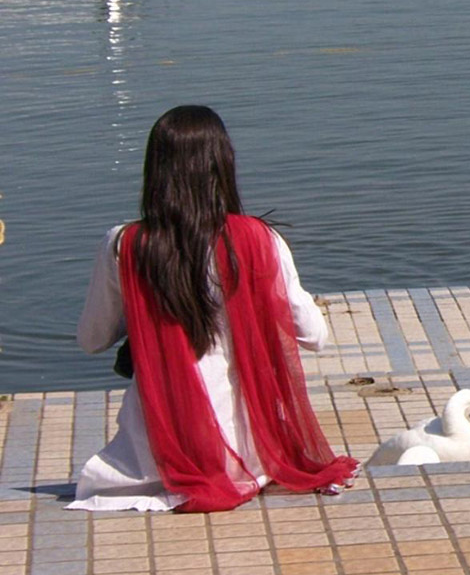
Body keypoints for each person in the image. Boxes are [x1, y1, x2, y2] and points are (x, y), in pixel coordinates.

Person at [68, 105, 357, 513]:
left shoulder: (125, 244)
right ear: (222, 165)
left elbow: (91, 340)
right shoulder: (258, 240)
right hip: (245, 457)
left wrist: (142, 307)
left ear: (155, 169)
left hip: (149, 463)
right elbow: (314, 336)